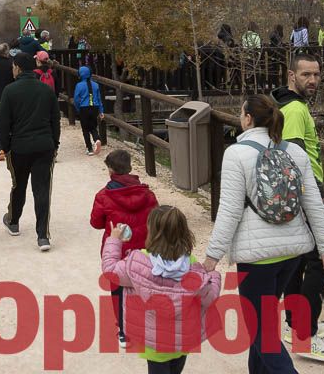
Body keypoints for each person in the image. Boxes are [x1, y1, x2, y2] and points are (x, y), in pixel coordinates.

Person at [204, 94, 324, 372]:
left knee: (261, 334)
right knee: (263, 326)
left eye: (241, 113)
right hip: (291, 253)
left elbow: (229, 211)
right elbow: (315, 203)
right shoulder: (295, 152)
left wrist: (211, 257)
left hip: (257, 259)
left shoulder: (236, 154)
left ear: (248, 118)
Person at [271, 51, 324, 361]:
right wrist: (319, 195)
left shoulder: (281, 103)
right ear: (291, 76)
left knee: (298, 262)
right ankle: (305, 334)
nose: (312, 80)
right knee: (319, 262)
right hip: (307, 197)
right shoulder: (297, 109)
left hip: (293, 198)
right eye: (305, 75)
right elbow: (294, 154)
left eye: (315, 74)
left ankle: (293, 324)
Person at [103, 205, 222, 372]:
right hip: (181, 342)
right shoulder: (193, 267)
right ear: (184, 234)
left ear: (152, 233)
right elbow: (209, 297)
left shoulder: (138, 262)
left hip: (154, 344)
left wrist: (114, 239)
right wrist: (214, 276)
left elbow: (110, 270)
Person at [91, 149, 160, 348]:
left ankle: (123, 330)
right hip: (143, 251)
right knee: (142, 286)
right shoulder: (147, 193)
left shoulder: (103, 196)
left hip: (117, 251)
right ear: (130, 168)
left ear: (110, 171)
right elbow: (156, 220)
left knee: (118, 290)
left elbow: (96, 222)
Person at [0, 52, 60, 251]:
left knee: (19, 185)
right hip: (44, 146)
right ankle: (43, 236)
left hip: (19, 147)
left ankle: (14, 221)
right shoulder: (46, 90)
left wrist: (5, 147)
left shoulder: (9, 90)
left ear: (17, 67)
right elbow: (55, 121)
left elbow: (4, 123)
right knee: (42, 190)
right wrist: (54, 144)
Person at [73, 65, 104, 155]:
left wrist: (78, 109)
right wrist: (101, 111)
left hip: (84, 108)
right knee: (93, 127)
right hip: (94, 107)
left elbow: (76, 99)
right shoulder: (96, 85)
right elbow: (99, 99)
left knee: (85, 129)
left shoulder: (79, 85)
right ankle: (97, 139)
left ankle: (89, 148)